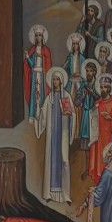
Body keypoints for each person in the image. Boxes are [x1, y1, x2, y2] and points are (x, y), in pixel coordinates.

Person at [34, 68, 76, 204]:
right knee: (50, 162)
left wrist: (69, 114)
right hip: (52, 136)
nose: (55, 82)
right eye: (54, 79)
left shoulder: (66, 96)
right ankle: (49, 194)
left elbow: (73, 114)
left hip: (63, 133)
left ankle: (66, 195)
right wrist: (37, 102)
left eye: (57, 79)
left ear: (61, 81)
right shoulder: (49, 98)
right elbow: (42, 116)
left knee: (65, 161)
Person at [88, 74, 112, 184]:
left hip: (108, 136)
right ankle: (98, 182)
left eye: (105, 87)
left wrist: (110, 118)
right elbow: (93, 118)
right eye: (101, 87)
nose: (103, 89)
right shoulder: (97, 102)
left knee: (106, 156)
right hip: (98, 135)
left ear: (109, 88)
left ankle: (107, 181)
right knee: (98, 158)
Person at [73, 60, 99, 181]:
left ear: (94, 72)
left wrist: (93, 93)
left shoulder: (98, 84)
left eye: (90, 71)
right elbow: (76, 102)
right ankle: (88, 169)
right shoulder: (83, 85)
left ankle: (95, 169)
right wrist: (82, 96)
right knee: (87, 144)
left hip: (95, 116)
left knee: (95, 143)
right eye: (87, 71)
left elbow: (101, 99)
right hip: (85, 116)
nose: (88, 73)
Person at [23, 25, 52, 124]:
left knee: (42, 94)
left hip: (42, 75)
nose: (38, 37)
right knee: (34, 95)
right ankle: (33, 115)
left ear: (42, 36)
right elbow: (31, 65)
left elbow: (48, 64)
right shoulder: (32, 49)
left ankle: (42, 116)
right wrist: (28, 56)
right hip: (34, 75)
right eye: (36, 35)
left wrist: (42, 57)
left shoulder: (46, 50)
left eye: (40, 35)